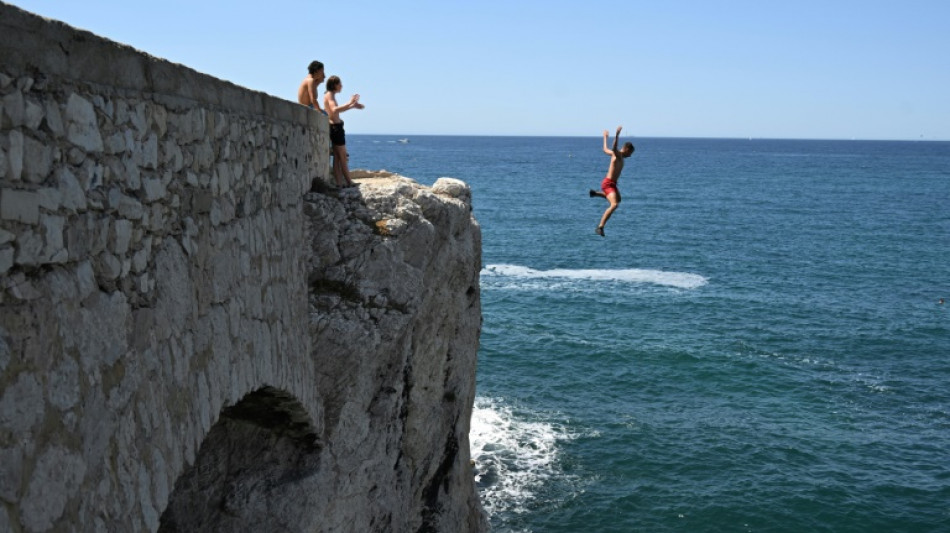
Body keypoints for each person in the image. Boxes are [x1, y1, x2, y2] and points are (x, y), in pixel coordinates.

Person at [588, 126, 635, 236]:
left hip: (612, 184)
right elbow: (614, 147)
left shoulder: (617, 155)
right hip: (608, 184)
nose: (631, 156)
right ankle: (600, 227)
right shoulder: (618, 155)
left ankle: (595, 193)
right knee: (614, 204)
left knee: (618, 199)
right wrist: (617, 135)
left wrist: (605, 137)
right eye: (630, 153)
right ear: (627, 149)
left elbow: (605, 149)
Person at [324, 75, 365, 188]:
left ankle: (339, 183)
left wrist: (352, 106)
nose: (341, 86)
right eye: (339, 84)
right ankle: (349, 182)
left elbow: (336, 111)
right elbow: (334, 110)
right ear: (334, 85)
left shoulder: (330, 95)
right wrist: (349, 102)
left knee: (337, 158)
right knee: (343, 156)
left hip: (335, 128)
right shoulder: (330, 95)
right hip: (336, 129)